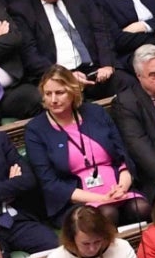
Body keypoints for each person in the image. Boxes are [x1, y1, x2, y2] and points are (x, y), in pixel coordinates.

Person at [22, 68, 141, 224]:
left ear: (73, 91)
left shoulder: (96, 113)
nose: (53, 100)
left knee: (140, 208)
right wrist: (101, 198)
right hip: (75, 201)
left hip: (117, 188)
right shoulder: (36, 130)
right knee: (106, 214)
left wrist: (122, 187)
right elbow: (50, 183)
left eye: (59, 93)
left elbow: (122, 155)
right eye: (48, 94)